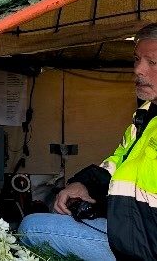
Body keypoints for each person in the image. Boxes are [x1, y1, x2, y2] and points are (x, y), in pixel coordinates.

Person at [18, 24, 157, 260]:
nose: (138, 70)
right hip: (129, 235)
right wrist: (83, 185)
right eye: (136, 59)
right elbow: (117, 163)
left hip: (142, 250)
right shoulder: (145, 114)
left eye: (152, 62)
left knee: (31, 229)